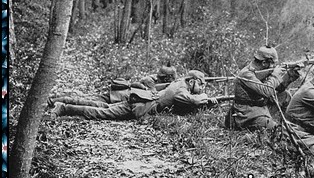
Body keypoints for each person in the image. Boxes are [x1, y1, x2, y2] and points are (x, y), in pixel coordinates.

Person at [50, 70, 217, 120]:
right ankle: (64, 108)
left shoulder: (179, 82)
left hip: (140, 99)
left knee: (102, 107)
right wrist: (205, 99)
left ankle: (63, 104)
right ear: (191, 81)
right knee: (102, 112)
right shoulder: (181, 90)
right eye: (200, 84)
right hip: (141, 104)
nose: (202, 88)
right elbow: (191, 101)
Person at [225, 45, 299, 131]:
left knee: (285, 95)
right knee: (275, 129)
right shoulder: (246, 74)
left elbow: (279, 89)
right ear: (264, 63)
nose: (274, 66)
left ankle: (287, 123)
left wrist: (290, 75)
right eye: (272, 63)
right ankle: (278, 127)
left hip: (261, 106)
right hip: (246, 114)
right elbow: (266, 91)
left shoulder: (263, 71)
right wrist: (275, 76)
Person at [48, 63, 178, 107]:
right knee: (86, 101)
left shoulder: (160, 82)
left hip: (117, 97)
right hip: (116, 97)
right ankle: (56, 100)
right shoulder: (149, 80)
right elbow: (151, 95)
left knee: (86, 100)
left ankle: (57, 100)